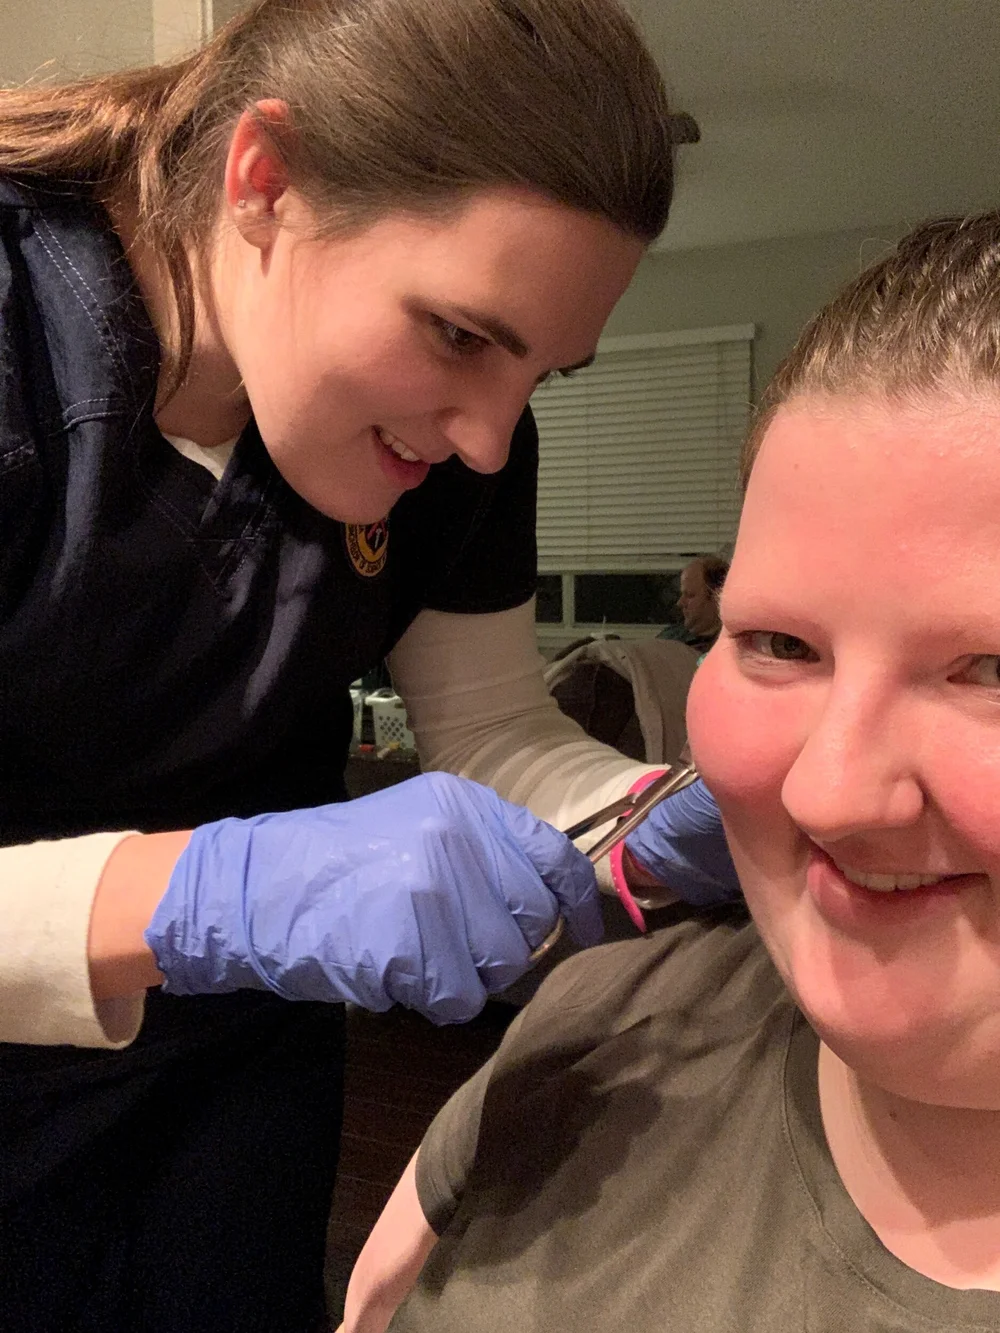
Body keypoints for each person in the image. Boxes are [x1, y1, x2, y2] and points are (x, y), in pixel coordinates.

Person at [0, 2, 747, 1328]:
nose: (483, 442)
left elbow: (492, 732)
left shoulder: (465, 442)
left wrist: (660, 811)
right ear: (266, 183)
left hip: (233, 1067)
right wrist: (193, 893)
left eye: (543, 375)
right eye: (460, 335)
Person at [342, 213, 1000, 1332]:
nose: (826, 790)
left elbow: (493, 719)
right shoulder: (607, 1026)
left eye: (988, 669)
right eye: (779, 644)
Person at [658, 553, 729, 652]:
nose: (680, 603)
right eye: (682, 594)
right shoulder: (669, 638)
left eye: (690, 595)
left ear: (716, 597)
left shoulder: (732, 645)